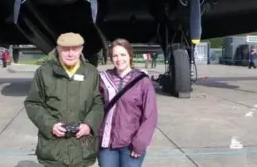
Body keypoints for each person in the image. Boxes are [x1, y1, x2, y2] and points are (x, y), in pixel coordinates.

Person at [24, 32, 104, 167]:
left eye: (75, 49)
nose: (70, 54)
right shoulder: (44, 72)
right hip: (55, 148)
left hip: (82, 147)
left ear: (81, 49)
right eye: (66, 49)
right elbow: (33, 103)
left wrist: (89, 125)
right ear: (58, 49)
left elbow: (98, 102)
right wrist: (50, 125)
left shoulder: (91, 73)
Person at [98, 38, 158, 167]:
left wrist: (140, 143)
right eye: (115, 55)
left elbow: (150, 115)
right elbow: (95, 106)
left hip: (131, 144)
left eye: (123, 54)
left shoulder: (142, 81)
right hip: (107, 144)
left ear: (130, 55)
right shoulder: (103, 79)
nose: (119, 59)